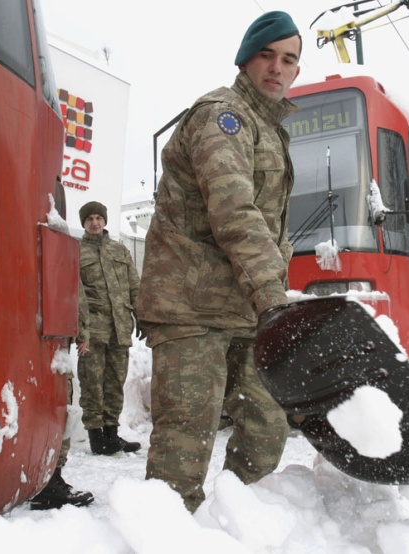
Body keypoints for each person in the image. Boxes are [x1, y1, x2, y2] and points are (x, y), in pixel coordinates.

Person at [135, 11, 302, 512]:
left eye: (288, 59)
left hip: (243, 305)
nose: (277, 67)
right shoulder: (222, 115)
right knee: (186, 436)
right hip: (189, 304)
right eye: (266, 55)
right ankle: (164, 535)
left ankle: (235, 525)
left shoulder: (271, 129)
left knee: (266, 425)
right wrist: (275, 299)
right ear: (246, 59)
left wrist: (269, 300)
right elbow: (234, 211)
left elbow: (270, 229)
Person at [77, 201, 142, 455]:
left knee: (115, 382)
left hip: (119, 328)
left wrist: (141, 315)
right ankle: (96, 437)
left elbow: (134, 285)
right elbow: (74, 294)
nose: (94, 222)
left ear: (104, 221)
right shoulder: (77, 253)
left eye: (98, 218)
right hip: (93, 330)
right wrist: (82, 331)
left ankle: (111, 435)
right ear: (84, 223)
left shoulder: (120, 250)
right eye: (89, 218)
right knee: (93, 383)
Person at [30, 287, 94, 509]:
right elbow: (71, 286)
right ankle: (48, 479)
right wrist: (82, 328)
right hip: (52, 333)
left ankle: (41, 476)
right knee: (58, 402)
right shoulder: (61, 252)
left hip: (33, 326)